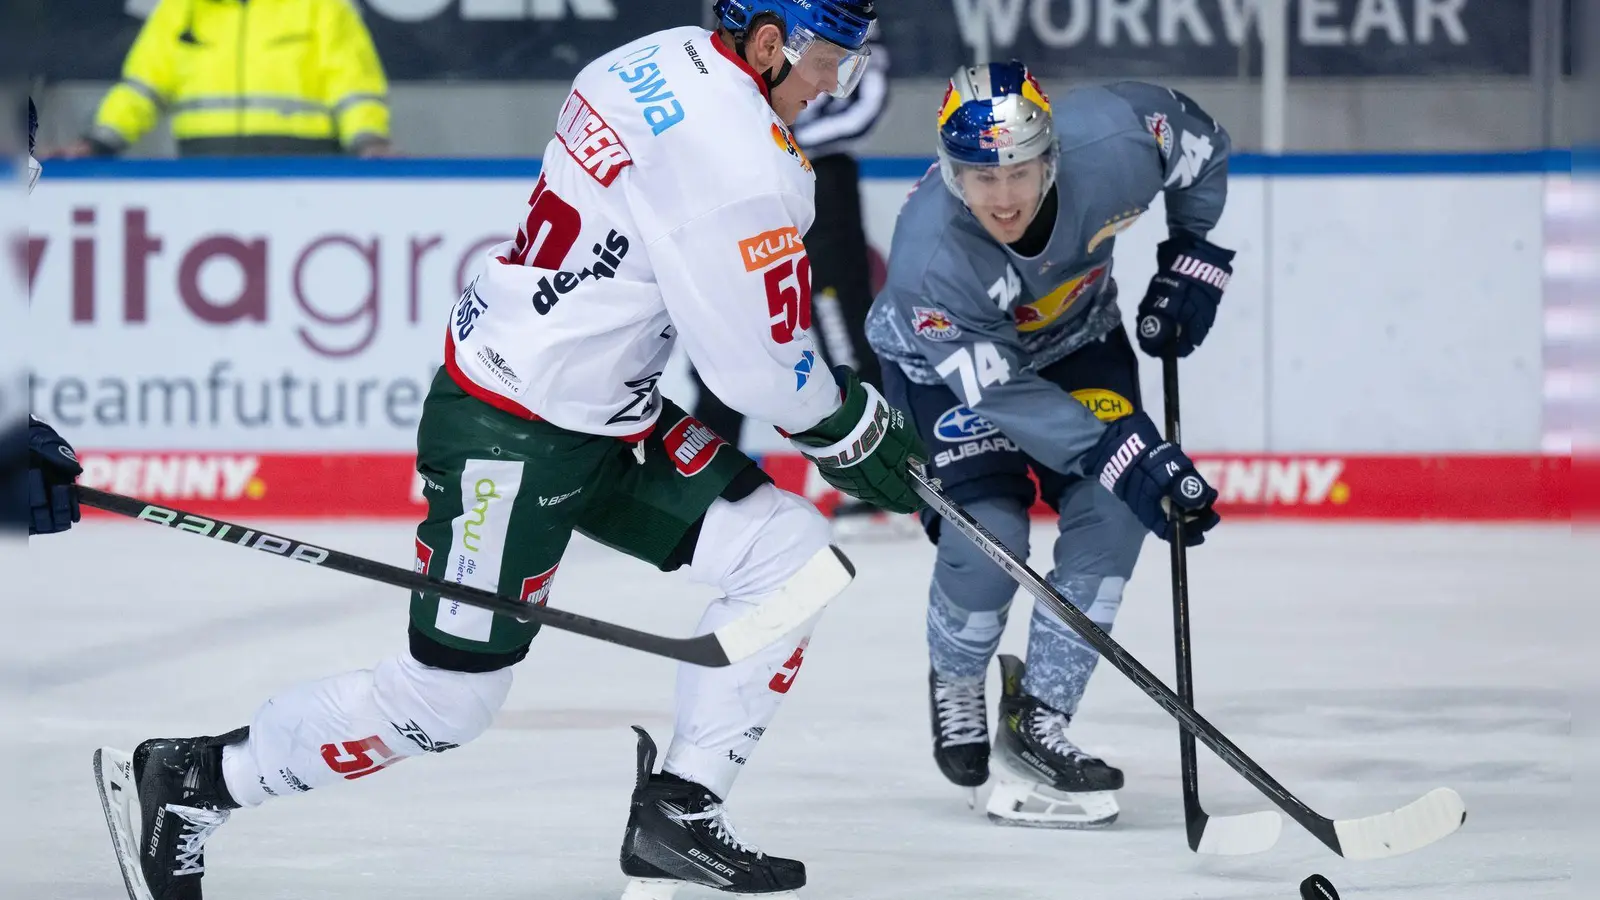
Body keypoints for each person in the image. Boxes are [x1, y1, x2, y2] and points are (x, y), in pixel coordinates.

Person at [71, 4, 928, 900]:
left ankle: (680, 808)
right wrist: (850, 426)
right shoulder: (746, 164)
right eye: (829, 60)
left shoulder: (653, 57)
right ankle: (196, 781)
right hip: (508, 431)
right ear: (765, 44)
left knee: (790, 556)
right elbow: (757, 370)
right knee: (442, 707)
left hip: (601, 407)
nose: (835, 82)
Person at [865, 62, 1232, 827]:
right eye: (977, 176)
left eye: (1020, 172)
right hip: (942, 370)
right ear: (948, 170)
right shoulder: (930, 256)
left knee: (1118, 511)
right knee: (991, 532)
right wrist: (1121, 448)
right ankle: (959, 674)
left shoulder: (1121, 137)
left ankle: (1041, 719)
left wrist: (1194, 255)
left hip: (1078, 340)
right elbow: (997, 391)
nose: (1002, 197)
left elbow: (1202, 141)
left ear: (1053, 157)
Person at [55, 0, 391, 158]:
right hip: (203, 174)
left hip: (304, 171)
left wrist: (368, 141)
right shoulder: (181, 9)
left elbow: (353, 85)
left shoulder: (322, 6)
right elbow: (143, 87)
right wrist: (99, 143)